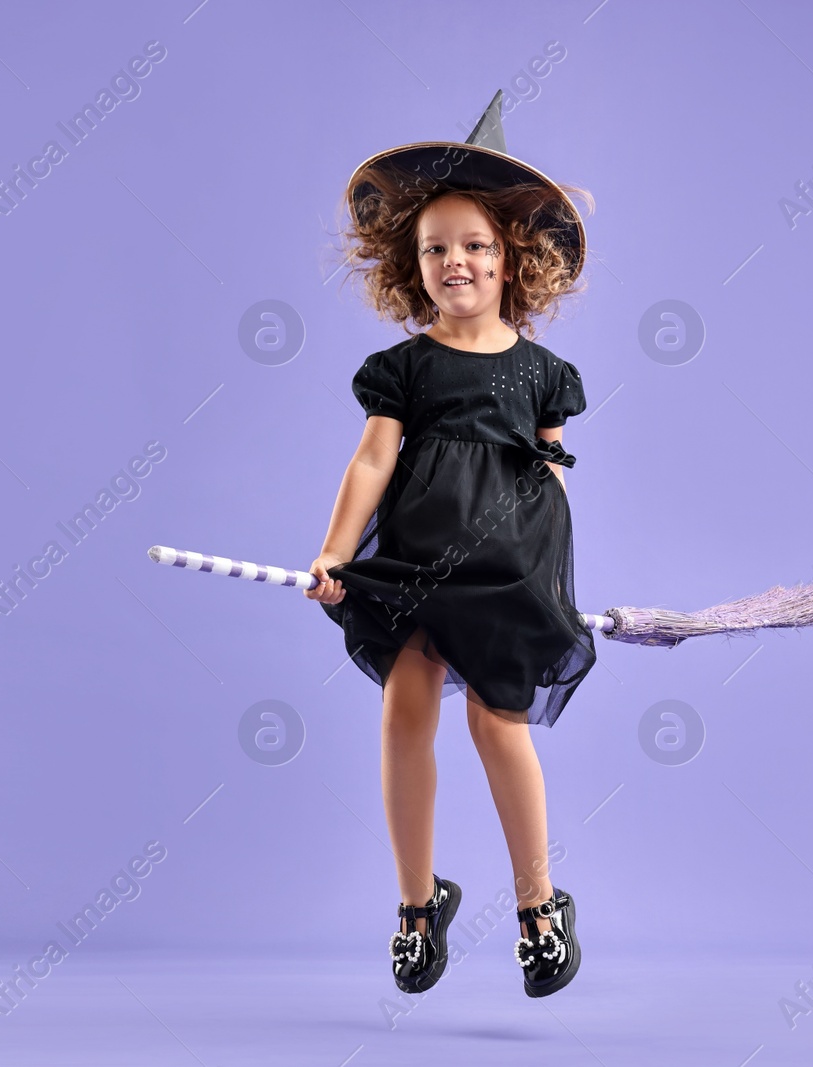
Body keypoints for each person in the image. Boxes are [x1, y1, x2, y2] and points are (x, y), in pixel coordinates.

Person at [306, 92, 595, 998]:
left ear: (513, 256)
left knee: (494, 722)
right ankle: (417, 900)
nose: (455, 261)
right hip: (412, 566)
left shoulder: (544, 374)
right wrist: (333, 553)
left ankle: (538, 904)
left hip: (507, 568)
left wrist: (541, 573)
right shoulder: (405, 368)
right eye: (436, 247)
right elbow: (371, 462)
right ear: (412, 263)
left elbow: (552, 477)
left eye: (474, 244)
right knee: (406, 704)